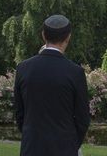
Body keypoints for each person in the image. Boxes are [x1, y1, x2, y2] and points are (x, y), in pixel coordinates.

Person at [14, 14, 90, 156]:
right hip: (64, 148)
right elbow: (83, 118)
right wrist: (71, 144)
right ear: (68, 37)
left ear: (43, 35)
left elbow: (19, 113)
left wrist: (32, 136)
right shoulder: (75, 72)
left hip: (32, 148)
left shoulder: (23, 68)